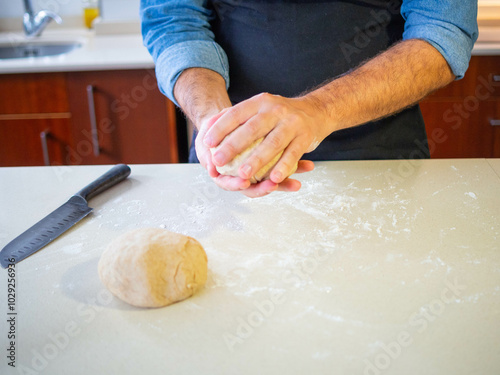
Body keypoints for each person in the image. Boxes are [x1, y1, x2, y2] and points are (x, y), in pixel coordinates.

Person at [141, 0, 478, 198]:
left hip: (381, 161)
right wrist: (217, 122)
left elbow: (442, 31)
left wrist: (319, 110)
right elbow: (174, 19)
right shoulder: (225, 135)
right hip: (237, 156)